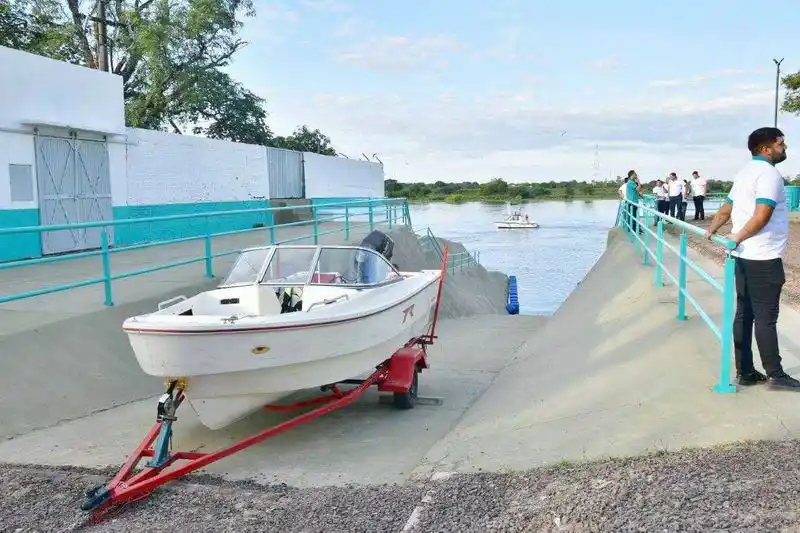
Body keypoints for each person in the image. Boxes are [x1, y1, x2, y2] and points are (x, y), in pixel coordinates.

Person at [705, 127, 799, 390]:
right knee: (766, 317)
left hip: (744, 256)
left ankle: (745, 371)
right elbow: (762, 214)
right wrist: (738, 236)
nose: (785, 148)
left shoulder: (744, 172)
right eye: (781, 143)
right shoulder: (769, 174)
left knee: (745, 313)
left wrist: (713, 229)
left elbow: (727, 208)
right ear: (766, 148)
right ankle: (776, 375)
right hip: (763, 256)